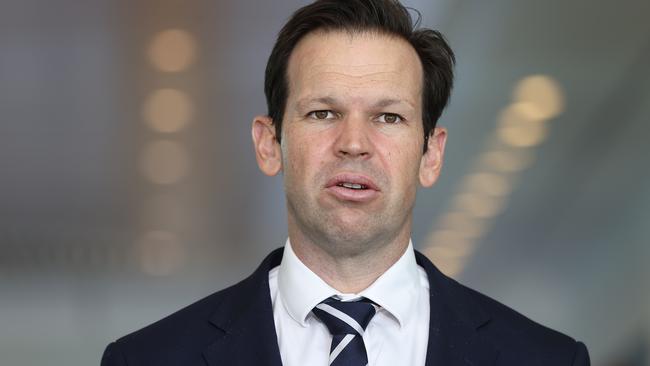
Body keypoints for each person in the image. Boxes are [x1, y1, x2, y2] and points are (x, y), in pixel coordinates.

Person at [101, 0, 590, 365]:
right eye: (323, 112)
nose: (353, 142)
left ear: (431, 153)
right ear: (269, 144)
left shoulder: (547, 359)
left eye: (389, 117)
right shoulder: (148, 359)